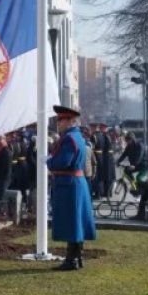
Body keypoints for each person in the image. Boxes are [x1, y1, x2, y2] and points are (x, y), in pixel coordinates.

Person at [46, 105, 96, 271]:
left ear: (69, 121)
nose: (58, 122)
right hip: (75, 182)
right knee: (76, 222)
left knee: (72, 222)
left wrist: (48, 161)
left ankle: (71, 260)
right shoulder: (77, 136)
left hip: (70, 184)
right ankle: (77, 257)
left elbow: (62, 162)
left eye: (61, 119)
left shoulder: (69, 138)